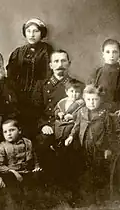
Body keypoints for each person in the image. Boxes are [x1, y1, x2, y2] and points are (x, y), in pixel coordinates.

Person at [65, 84, 118, 206]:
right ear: (84, 99)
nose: (91, 102)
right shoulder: (82, 112)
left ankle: (98, 199)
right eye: (88, 99)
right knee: (84, 173)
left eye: (95, 99)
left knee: (98, 172)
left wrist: (108, 149)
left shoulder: (104, 114)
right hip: (84, 147)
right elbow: (76, 126)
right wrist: (71, 136)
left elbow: (110, 133)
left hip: (98, 149)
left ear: (100, 100)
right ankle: (84, 197)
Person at [6, 18, 53, 138]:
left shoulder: (46, 51)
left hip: (39, 94)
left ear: (41, 33)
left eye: (35, 31)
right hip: (20, 95)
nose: (31, 35)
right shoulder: (19, 52)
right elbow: (10, 75)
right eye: (28, 31)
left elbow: (48, 74)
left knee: (36, 125)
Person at [32, 49, 72, 181]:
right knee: (42, 143)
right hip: (47, 126)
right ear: (51, 65)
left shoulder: (76, 86)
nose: (60, 64)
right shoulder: (41, 85)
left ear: (69, 63)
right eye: (56, 61)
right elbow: (34, 110)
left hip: (67, 127)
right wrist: (42, 125)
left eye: (63, 61)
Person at [0, 119, 41, 210]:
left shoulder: (27, 142)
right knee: (14, 193)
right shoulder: (3, 146)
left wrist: (37, 167)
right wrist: (12, 172)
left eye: (12, 130)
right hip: (11, 173)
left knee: (32, 190)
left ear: (19, 130)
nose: (8, 133)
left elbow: (35, 157)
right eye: (5, 132)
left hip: (26, 171)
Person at [87, 39, 120, 116]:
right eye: (108, 52)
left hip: (117, 112)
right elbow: (89, 92)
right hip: (98, 112)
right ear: (103, 54)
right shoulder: (97, 72)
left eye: (115, 52)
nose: (111, 55)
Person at [54, 79, 84, 148]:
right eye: (71, 91)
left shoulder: (81, 104)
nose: (74, 94)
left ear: (81, 93)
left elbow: (83, 115)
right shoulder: (62, 102)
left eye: (77, 92)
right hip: (59, 125)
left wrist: (73, 116)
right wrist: (58, 113)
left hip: (71, 126)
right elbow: (56, 109)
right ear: (66, 92)